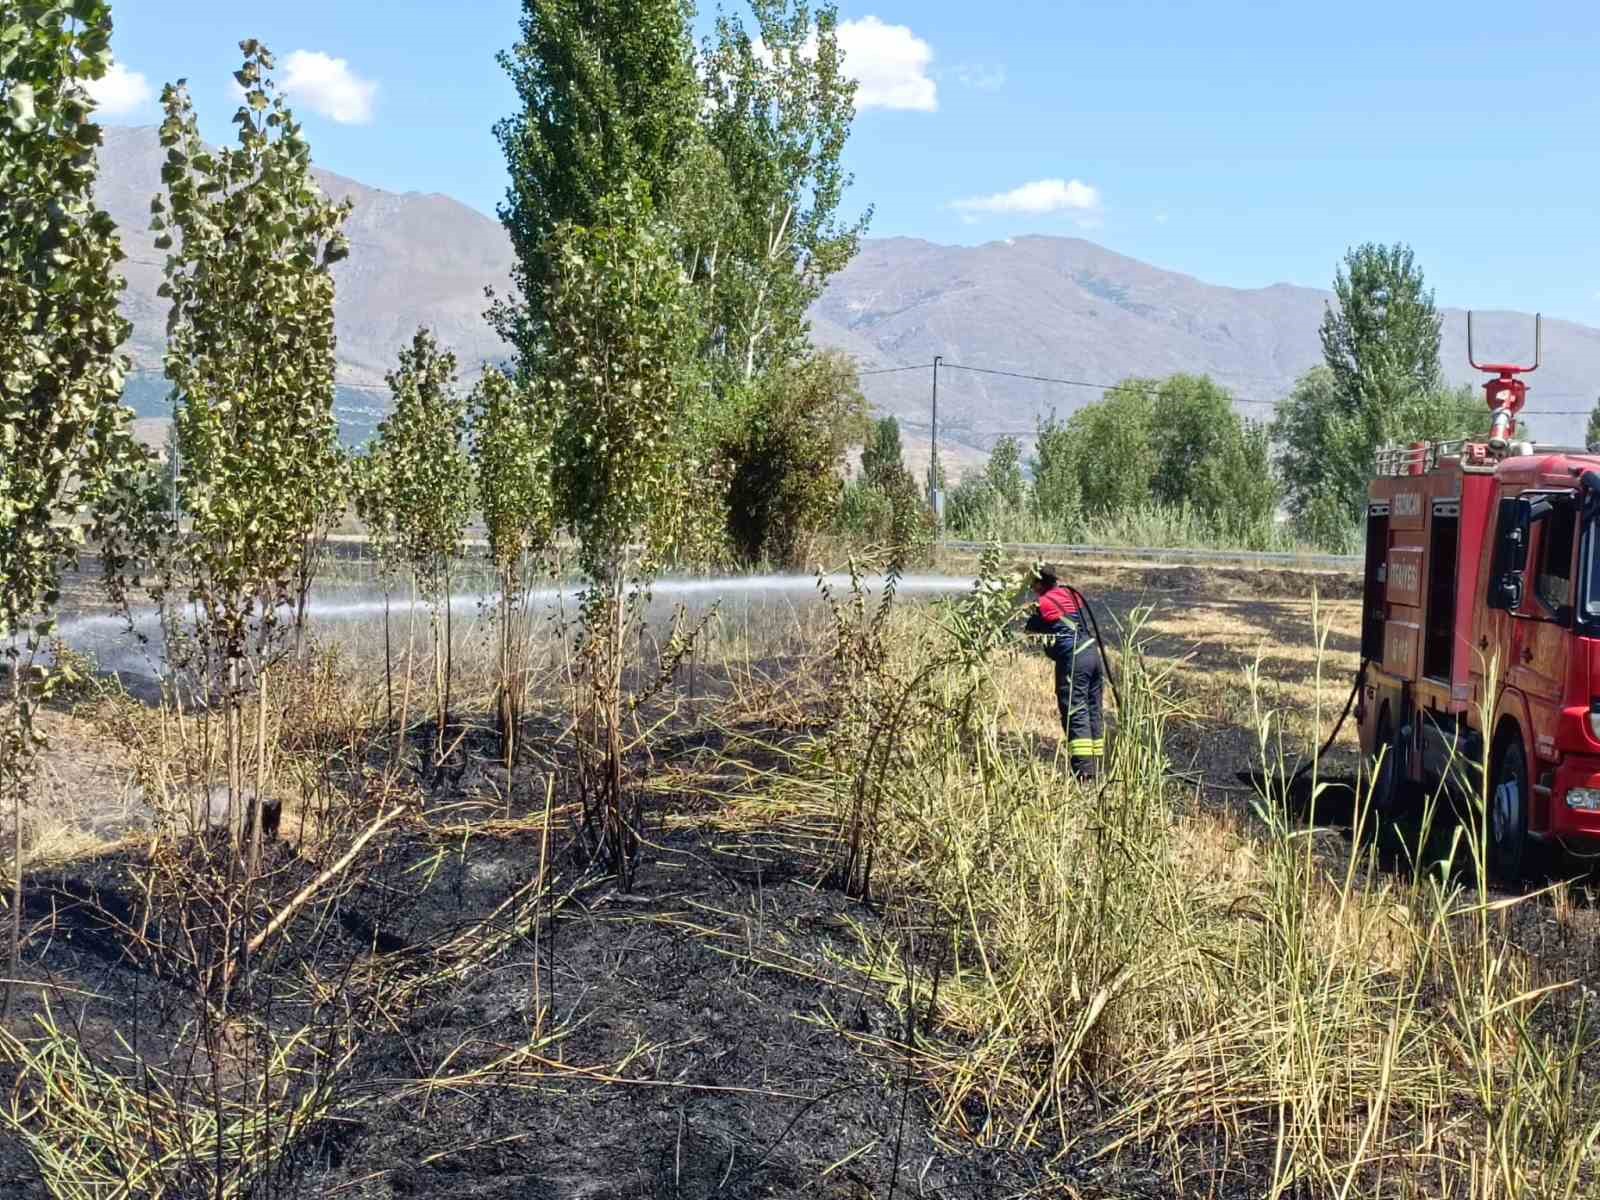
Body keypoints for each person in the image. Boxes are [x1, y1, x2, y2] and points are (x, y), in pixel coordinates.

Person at [1025, 563, 1105, 780]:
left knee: (1075, 712)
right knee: (1092, 709)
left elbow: (1030, 628)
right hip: (1092, 655)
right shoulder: (1070, 594)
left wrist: (1029, 610)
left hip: (1075, 660)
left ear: (1040, 583)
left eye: (1033, 584)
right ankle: (1097, 767)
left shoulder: (1043, 603)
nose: (1032, 588)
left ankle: (1084, 775)